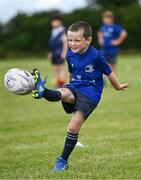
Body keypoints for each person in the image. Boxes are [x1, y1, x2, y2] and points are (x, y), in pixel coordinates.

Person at [31, 21, 129, 172]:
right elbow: (71, 72)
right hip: (75, 86)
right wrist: (70, 87)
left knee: (73, 126)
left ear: (88, 40)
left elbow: (108, 71)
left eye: (77, 40)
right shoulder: (70, 54)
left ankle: (62, 160)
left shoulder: (96, 56)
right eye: (70, 40)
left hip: (90, 93)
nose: (72, 43)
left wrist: (117, 86)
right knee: (62, 92)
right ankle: (43, 91)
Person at [48, 14, 68, 87]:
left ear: (60, 22)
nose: (54, 23)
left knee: (61, 67)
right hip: (54, 52)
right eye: (53, 21)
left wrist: (64, 52)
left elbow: (65, 42)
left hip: (59, 51)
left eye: (56, 21)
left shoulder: (62, 30)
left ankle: (61, 83)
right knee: (55, 68)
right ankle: (57, 82)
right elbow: (51, 43)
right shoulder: (53, 31)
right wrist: (50, 52)